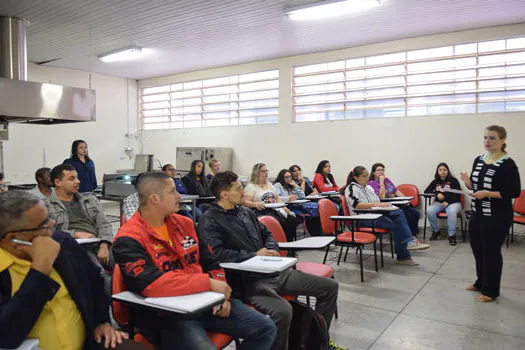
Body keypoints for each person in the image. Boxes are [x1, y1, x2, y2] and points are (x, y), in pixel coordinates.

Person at [112, 171, 276, 350]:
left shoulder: (185, 224)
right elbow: (152, 284)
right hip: (167, 315)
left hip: (206, 302)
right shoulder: (128, 238)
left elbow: (211, 262)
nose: (179, 195)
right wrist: (208, 283)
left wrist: (220, 294)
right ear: (154, 199)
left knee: (265, 328)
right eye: (172, 191)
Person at [199, 171, 342, 350]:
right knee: (282, 311)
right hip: (249, 280)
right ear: (224, 194)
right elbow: (217, 255)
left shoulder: (244, 212)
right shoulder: (210, 220)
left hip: (275, 272)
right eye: (238, 189)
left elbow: (267, 234)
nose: (243, 192)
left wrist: (272, 250)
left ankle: (317, 343)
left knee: (329, 287)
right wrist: (254, 255)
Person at [0, 190, 134, 350]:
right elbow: (7, 334)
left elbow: (94, 283)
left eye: (49, 218)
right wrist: (40, 268)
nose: (52, 224)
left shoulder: (62, 242)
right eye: (43, 224)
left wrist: (102, 321)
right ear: (13, 239)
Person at [461, 125, 521, 302]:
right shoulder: (479, 160)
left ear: (503, 140)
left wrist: (487, 194)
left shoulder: (508, 164)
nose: (487, 141)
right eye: (485, 137)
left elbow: (514, 192)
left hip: (497, 217)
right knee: (478, 250)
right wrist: (468, 183)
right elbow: (477, 187)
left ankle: (491, 291)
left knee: (491, 253)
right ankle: (480, 282)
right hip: (478, 214)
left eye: (492, 138)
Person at [46, 164, 113, 295]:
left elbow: (104, 224)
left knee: (125, 266)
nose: (78, 181)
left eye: (77, 177)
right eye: (71, 179)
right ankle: (109, 310)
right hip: (75, 247)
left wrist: (104, 245)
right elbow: (48, 232)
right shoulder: (47, 205)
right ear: (58, 182)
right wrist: (75, 234)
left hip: (99, 243)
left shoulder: (90, 200)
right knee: (100, 274)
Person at [342, 166, 429, 266]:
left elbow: (378, 200)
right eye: (364, 176)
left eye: (367, 175)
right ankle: (405, 253)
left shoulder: (368, 188)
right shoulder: (351, 188)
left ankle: (408, 245)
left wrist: (384, 205)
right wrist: (376, 205)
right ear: (356, 177)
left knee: (399, 212)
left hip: (375, 213)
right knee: (396, 224)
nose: (367, 178)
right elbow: (356, 205)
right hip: (362, 218)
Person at [243, 163, 298, 242]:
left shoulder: (269, 185)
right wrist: (255, 204)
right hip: (261, 211)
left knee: (292, 219)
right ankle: (279, 244)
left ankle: (288, 243)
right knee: (278, 222)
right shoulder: (251, 187)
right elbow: (245, 202)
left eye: (266, 171)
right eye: (263, 171)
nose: (266, 173)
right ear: (257, 173)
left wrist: (284, 207)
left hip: (274, 210)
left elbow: (277, 198)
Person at [368, 163, 421, 237]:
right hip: (386, 205)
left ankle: (412, 234)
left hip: (397, 202)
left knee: (415, 213)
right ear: (373, 173)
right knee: (405, 214)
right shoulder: (371, 183)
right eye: (378, 170)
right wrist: (381, 182)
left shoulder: (387, 180)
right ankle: (407, 235)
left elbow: (396, 191)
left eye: (382, 170)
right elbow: (382, 197)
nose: (381, 172)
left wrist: (405, 200)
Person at [423, 163, 463, 245]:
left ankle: (452, 235)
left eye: (444, 169)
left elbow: (457, 194)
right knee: (429, 210)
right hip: (439, 203)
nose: (442, 171)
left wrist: (447, 201)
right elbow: (426, 192)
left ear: (447, 171)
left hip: (454, 203)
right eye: (440, 170)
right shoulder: (435, 181)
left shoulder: (453, 180)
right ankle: (436, 231)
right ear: (437, 171)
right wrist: (437, 194)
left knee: (451, 211)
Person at [274, 169, 322, 235]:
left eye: (290, 176)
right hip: (287, 207)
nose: (289, 179)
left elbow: (302, 196)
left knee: (319, 207)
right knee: (315, 210)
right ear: (282, 178)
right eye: (286, 177)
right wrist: (288, 198)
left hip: (297, 205)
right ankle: (315, 233)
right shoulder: (278, 185)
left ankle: (317, 233)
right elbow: (276, 198)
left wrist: (295, 186)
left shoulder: (291, 185)